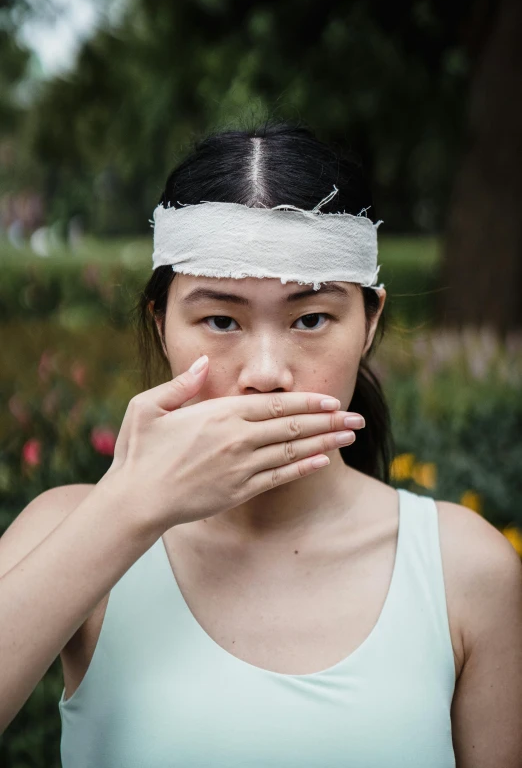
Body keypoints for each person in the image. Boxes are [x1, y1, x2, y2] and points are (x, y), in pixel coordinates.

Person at [0, 121, 521, 767]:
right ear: (162, 325)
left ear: (370, 323)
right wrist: (128, 508)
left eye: (311, 319)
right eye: (221, 319)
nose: (267, 370)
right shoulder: (67, 529)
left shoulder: (464, 568)